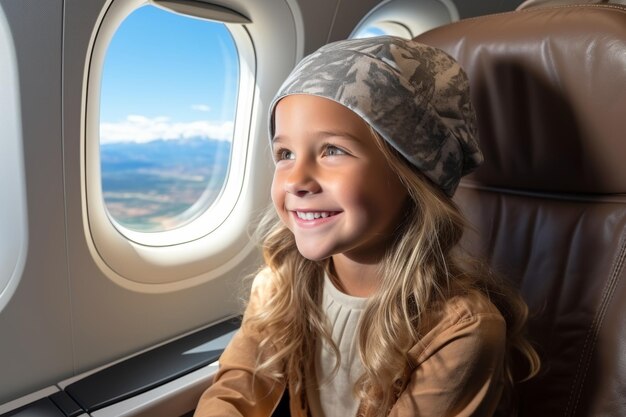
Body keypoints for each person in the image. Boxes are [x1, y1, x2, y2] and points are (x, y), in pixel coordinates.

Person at [194, 36, 539, 417]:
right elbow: (234, 394)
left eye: (333, 151)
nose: (296, 180)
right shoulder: (281, 284)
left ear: (413, 174)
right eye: (285, 154)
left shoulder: (463, 330)